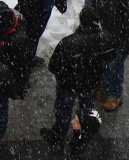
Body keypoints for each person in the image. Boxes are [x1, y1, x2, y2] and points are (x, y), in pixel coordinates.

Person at [45, 8, 110, 145]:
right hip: (91, 83)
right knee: (86, 108)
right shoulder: (105, 40)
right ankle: (83, 134)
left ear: (81, 22)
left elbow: (53, 66)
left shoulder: (68, 43)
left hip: (68, 85)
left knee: (63, 111)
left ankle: (58, 135)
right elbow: (110, 57)